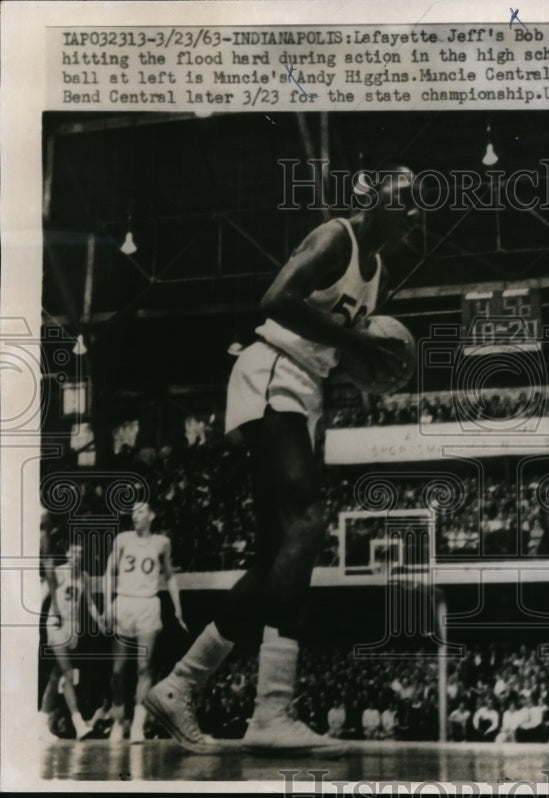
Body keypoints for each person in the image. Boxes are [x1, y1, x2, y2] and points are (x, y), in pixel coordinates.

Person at [143, 166, 420, 755]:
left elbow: (332, 352)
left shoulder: (377, 275)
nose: (415, 213)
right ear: (374, 202)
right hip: (271, 371)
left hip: (304, 390)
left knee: (276, 564)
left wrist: (361, 365)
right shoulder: (335, 239)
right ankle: (271, 711)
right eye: (407, 200)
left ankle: (179, 685)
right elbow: (274, 301)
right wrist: (358, 344)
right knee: (308, 525)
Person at [104, 501, 185, 742]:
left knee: (144, 667)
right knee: (118, 670)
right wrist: (108, 605)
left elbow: (169, 577)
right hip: (124, 603)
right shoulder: (122, 539)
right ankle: (119, 720)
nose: (135, 515)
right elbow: (110, 572)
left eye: (140, 511)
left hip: (148, 604)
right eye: (133, 512)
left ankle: (139, 723)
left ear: (151, 515)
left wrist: (177, 609)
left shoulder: (162, 543)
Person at [40, 539, 101, 740]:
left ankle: (41, 721)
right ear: (67, 553)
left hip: (73, 628)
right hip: (57, 624)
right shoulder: (58, 572)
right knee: (68, 672)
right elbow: (42, 596)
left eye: (80, 553)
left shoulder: (83, 577)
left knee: (56, 674)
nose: (77, 556)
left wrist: (100, 620)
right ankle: (78, 722)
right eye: (74, 552)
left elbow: (90, 604)